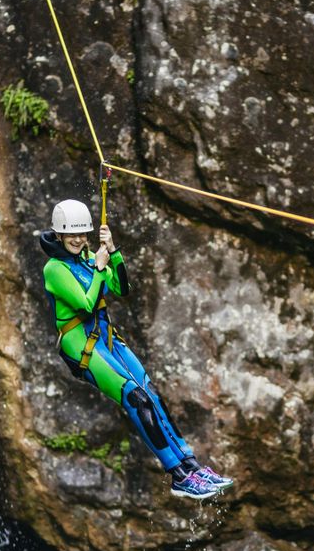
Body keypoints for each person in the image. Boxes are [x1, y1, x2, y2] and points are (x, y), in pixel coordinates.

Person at [39, 199, 233, 499]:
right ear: (60, 234)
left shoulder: (87, 255)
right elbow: (87, 303)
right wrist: (100, 268)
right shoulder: (55, 268)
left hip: (107, 338)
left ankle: (191, 464)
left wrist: (113, 252)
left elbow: (122, 289)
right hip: (82, 347)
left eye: (82, 233)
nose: (78, 239)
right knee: (135, 397)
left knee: (150, 393)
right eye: (71, 235)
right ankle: (178, 475)